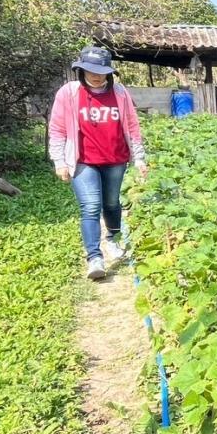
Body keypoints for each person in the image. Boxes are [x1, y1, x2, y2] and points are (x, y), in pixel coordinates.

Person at [48, 45, 147, 280]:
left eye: (101, 70)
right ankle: (94, 257)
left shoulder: (120, 93)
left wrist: (140, 157)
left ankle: (111, 239)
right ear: (81, 70)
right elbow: (58, 129)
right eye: (90, 70)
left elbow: (132, 127)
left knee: (112, 203)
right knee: (90, 206)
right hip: (83, 161)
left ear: (109, 71)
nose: (96, 75)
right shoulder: (69, 93)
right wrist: (59, 161)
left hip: (116, 158)